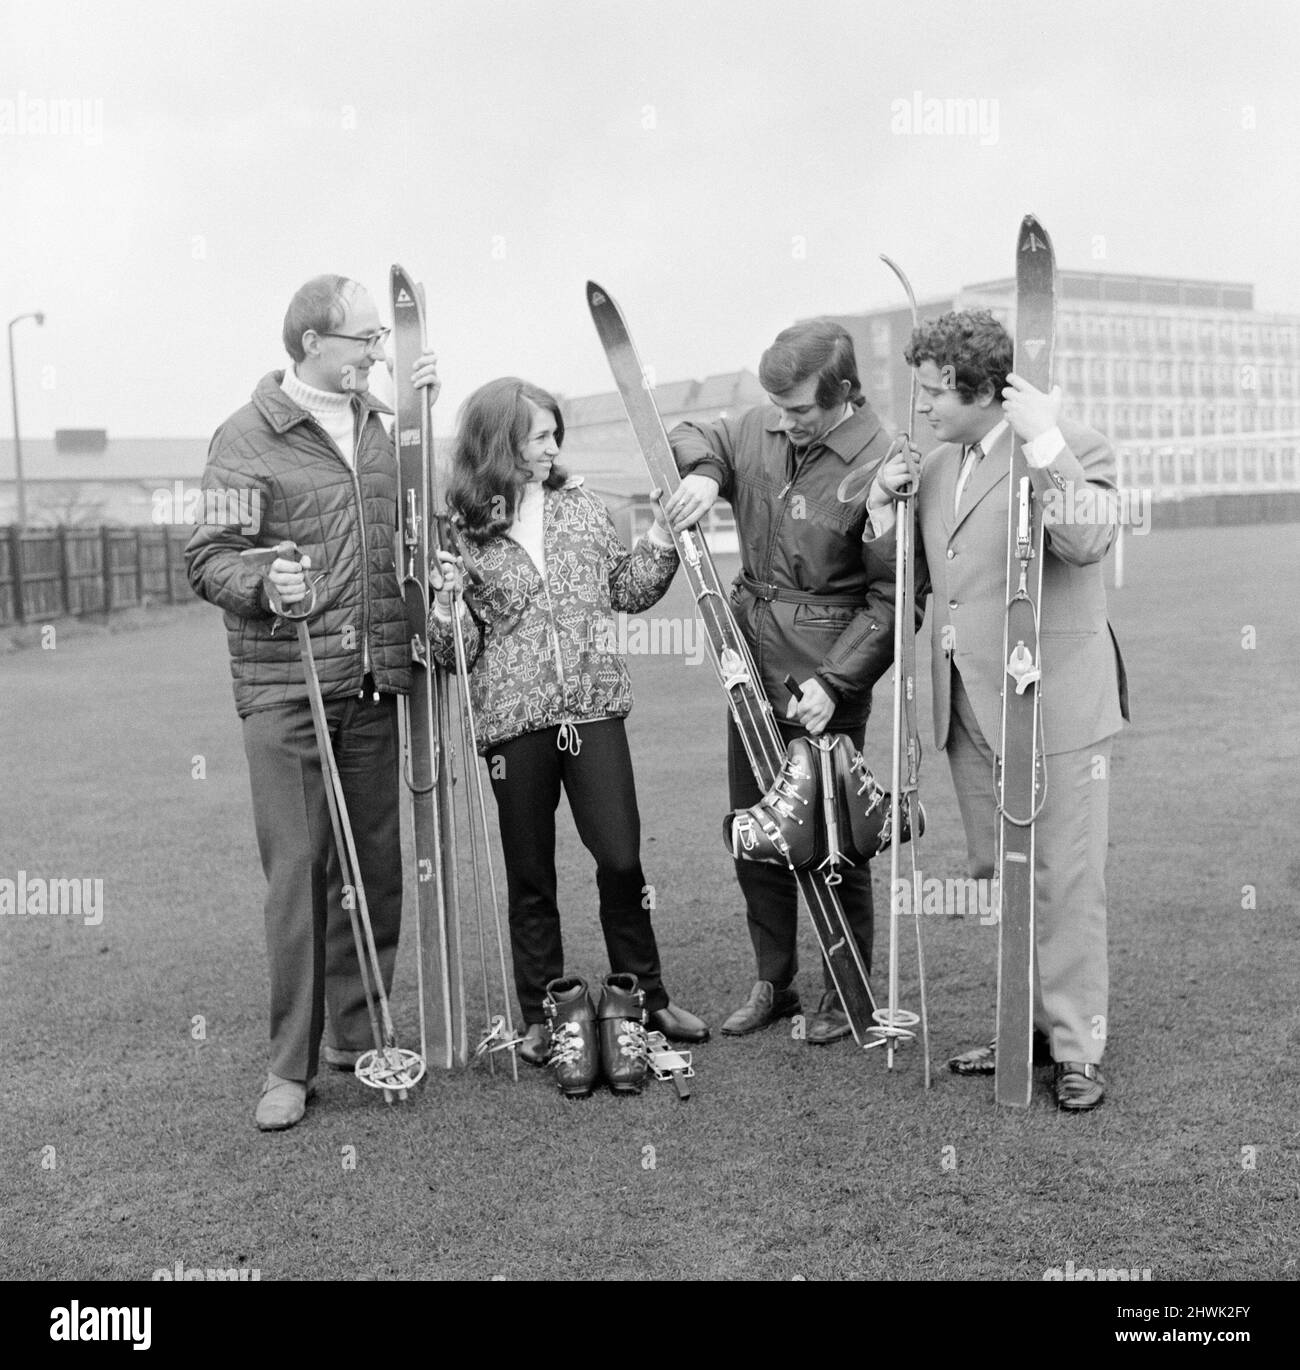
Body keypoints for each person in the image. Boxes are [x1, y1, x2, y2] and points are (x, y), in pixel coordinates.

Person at [186, 274, 439, 1131]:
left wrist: (427, 420)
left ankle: (359, 1036)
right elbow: (208, 556)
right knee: (300, 874)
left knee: (373, 871)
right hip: (286, 688)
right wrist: (264, 578)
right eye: (364, 340)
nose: (377, 352)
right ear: (310, 347)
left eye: (379, 340)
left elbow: (420, 524)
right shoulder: (245, 434)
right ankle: (288, 1066)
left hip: (374, 684)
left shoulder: (383, 429)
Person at [864, 309, 1128, 1111]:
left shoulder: (1072, 444)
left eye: (937, 393)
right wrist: (881, 506)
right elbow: (910, 575)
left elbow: (1085, 542)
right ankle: (1027, 1032)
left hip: (1053, 711)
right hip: (967, 714)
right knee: (1000, 879)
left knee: (1063, 882)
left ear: (983, 390)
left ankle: (1077, 1048)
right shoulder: (940, 465)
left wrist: (1045, 442)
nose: (923, 409)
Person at [427, 376, 709, 1068]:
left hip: (594, 708)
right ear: (501, 443)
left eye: (557, 433)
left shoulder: (583, 506)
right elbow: (449, 652)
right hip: (511, 723)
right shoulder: (461, 529)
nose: (553, 447)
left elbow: (626, 590)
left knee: (620, 857)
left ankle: (645, 994)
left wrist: (664, 538)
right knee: (531, 874)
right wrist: (444, 603)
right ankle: (542, 1012)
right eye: (540, 435)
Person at [663, 321, 897, 1043]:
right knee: (756, 833)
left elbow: (892, 604)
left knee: (836, 840)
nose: (784, 423)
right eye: (777, 408)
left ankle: (845, 992)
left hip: (825, 682)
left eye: (799, 411)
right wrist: (704, 472)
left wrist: (835, 682)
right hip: (749, 670)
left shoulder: (885, 463)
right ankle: (775, 983)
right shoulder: (762, 426)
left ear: (845, 393)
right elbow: (685, 431)